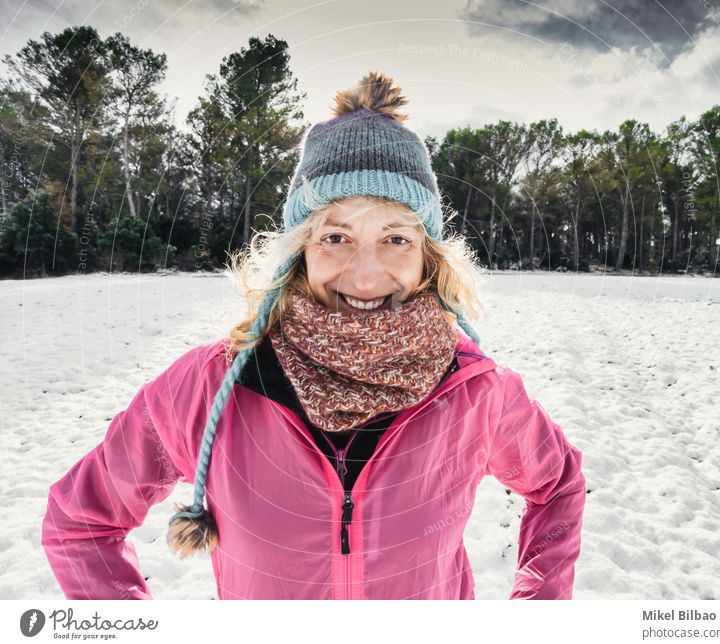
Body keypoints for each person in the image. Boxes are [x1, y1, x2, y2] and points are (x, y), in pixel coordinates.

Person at [41, 71, 586, 600]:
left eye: (395, 237)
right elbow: (80, 521)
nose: (366, 275)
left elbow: (558, 487)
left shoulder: (477, 390)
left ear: (428, 256)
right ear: (299, 250)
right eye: (336, 237)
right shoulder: (211, 386)